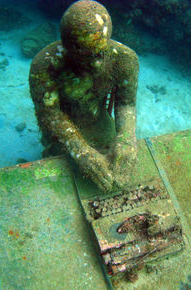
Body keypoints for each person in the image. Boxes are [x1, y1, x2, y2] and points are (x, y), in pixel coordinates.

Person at [29, 0, 139, 192]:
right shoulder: (45, 66)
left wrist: (126, 138)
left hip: (99, 121)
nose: (96, 64)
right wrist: (81, 152)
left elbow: (126, 104)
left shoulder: (125, 59)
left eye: (100, 54)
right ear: (69, 48)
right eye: (86, 57)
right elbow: (49, 114)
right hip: (61, 132)